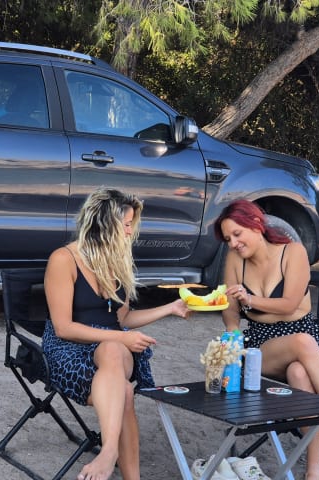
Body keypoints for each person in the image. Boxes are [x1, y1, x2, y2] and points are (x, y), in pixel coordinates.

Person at [214, 199, 319, 480]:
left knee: (299, 372)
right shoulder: (235, 260)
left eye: (237, 234)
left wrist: (250, 299)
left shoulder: (293, 252)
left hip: (306, 340)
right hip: (262, 344)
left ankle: (313, 466)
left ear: (255, 225)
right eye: (228, 238)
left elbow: (289, 304)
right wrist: (232, 334)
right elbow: (231, 311)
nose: (233, 243)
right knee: (301, 343)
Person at [43, 187, 191, 480]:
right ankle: (114, 456)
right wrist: (121, 337)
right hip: (69, 349)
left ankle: (108, 453)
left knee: (112, 350)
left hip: (111, 351)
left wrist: (170, 308)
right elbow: (63, 327)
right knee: (123, 389)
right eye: (125, 224)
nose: (129, 231)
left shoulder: (116, 261)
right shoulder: (64, 259)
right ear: (105, 223)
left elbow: (123, 319)